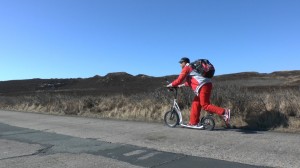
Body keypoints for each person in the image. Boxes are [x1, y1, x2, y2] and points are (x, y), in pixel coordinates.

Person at [167, 57, 231, 127]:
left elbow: (179, 80)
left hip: (203, 86)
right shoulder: (192, 68)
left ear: (184, 63)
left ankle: (224, 112)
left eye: (181, 63)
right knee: (196, 103)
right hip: (204, 85)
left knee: (205, 105)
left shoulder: (187, 68)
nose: (180, 65)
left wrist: (170, 85)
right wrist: (180, 85)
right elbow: (191, 82)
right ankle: (193, 122)